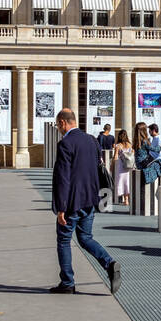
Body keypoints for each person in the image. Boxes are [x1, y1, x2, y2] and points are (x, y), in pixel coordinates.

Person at [50, 107, 119, 295]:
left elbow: (63, 178)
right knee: (86, 238)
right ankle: (109, 263)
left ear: (63, 123)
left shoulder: (65, 144)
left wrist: (61, 208)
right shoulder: (91, 140)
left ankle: (67, 282)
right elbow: (98, 169)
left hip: (72, 202)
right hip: (90, 199)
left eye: (58, 125)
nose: (58, 129)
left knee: (64, 240)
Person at [113, 128, 134, 205]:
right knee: (127, 182)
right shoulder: (130, 145)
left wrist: (113, 164)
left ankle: (124, 199)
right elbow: (132, 155)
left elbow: (115, 157)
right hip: (129, 166)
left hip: (121, 166)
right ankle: (127, 199)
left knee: (121, 181)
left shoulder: (118, 146)